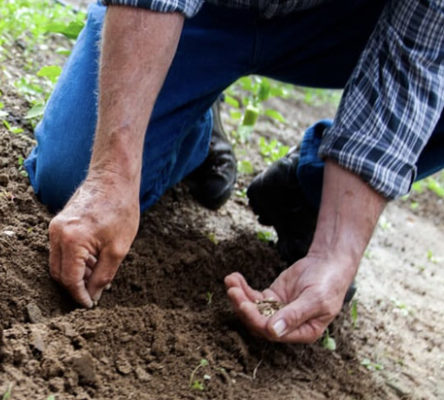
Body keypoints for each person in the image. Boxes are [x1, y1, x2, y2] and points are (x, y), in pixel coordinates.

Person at [24, 0, 444, 344]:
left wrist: (335, 253)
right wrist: (112, 174)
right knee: (71, 177)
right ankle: (192, 127)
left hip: (342, 24)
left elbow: (415, 58)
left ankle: (309, 191)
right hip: (204, 12)